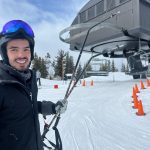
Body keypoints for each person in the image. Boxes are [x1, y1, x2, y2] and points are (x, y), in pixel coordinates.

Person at [0, 20, 67, 150]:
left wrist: (52, 108)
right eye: (14, 49)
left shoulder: (27, 79)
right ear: (5, 53)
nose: (21, 55)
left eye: (26, 49)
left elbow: (29, 105)